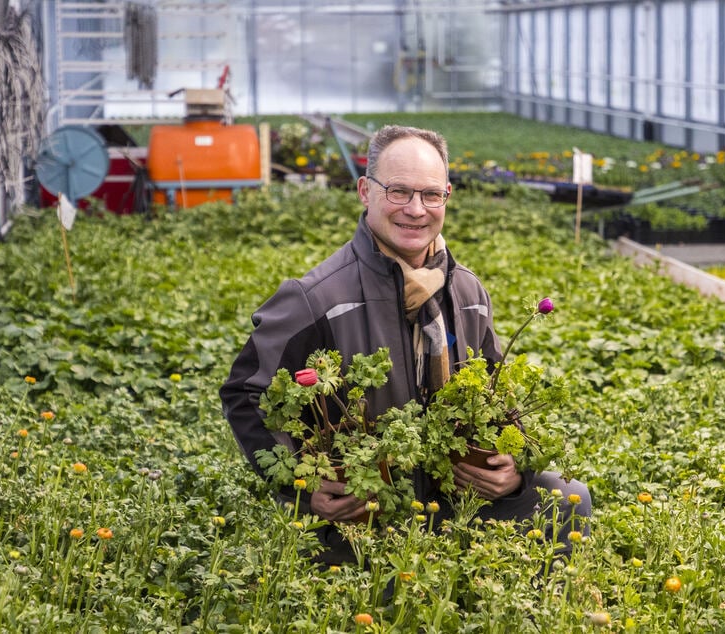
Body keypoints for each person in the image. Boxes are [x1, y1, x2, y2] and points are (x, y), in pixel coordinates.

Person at [220, 125, 591, 563]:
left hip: (453, 497)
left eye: (431, 194)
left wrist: (516, 472)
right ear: (365, 191)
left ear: (448, 196)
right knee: (377, 593)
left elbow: (497, 398)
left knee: (568, 498)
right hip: (365, 508)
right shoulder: (318, 298)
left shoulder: (467, 292)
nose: (416, 210)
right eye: (398, 192)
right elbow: (244, 393)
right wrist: (301, 488)